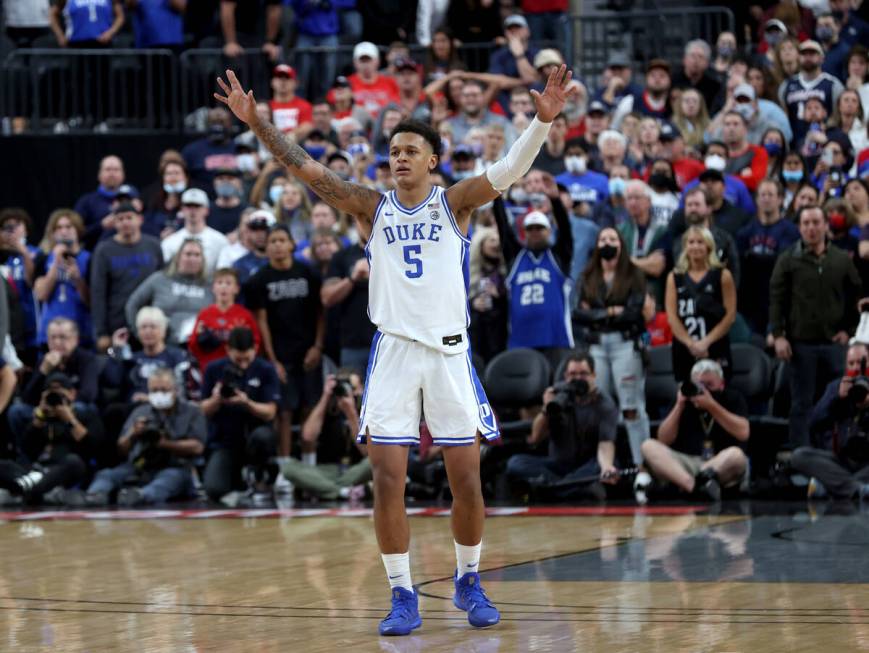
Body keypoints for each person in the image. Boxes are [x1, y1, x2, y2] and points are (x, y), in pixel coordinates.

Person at [215, 62, 574, 635]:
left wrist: (540, 123)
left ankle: (467, 579)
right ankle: (402, 593)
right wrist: (258, 124)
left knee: (467, 482)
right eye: (393, 150)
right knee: (386, 479)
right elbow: (305, 168)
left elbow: (507, 170)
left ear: (432, 158)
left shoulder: (455, 203)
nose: (399, 157)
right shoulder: (368, 206)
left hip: (450, 354)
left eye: (411, 149)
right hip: (395, 354)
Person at [770, 205, 863, 448]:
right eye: (806, 223)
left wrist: (850, 331)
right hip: (800, 344)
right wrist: (779, 335)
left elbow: (857, 298)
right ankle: (801, 456)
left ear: (825, 225)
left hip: (835, 344)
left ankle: (837, 449)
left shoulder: (842, 260)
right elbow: (776, 300)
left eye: (816, 222)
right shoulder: (788, 260)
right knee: (801, 403)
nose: (811, 228)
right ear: (799, 227)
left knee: (840, 399)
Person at [573, 228, 650, 465]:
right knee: (601, 407)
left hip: (624, 344)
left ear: (621, 244)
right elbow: (578, 313)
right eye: (603, 239)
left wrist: (595, 313)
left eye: (612, 239)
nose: (607, 243)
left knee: (631, 407)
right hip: (597, 346)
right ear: (596, 245)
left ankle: (642, 466)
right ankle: (604, 467)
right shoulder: (588, 276)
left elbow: (634, 313)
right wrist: (610, 311)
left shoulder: (633, 274)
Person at [245, 225, 323, 458]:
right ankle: (285, 469)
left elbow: (321, 313)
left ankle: (309, 465)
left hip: (308, 351)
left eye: (282, 240)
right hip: (280, 353)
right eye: (272, 241)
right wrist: (272, 360)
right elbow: (261, 322)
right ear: (266, 248)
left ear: (292, 244)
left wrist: (318, 347)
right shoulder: (259, 279)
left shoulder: (308, 273)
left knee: (310, 408)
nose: (277, 245)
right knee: (284, 412)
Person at [84, 368, 206, 506]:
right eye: (154, 391)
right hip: (140, 465)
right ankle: (94, 495)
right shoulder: (141, 411)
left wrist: (164, 443)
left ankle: (141, 496)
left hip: (175, 466)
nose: (159, 394)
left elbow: (197, 447)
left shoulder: (192, 411)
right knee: (107, 474)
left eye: (164, 390)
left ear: (176, 390)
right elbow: (121, 448)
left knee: (169, 480)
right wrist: (133, 433)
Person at [505, 351, 618, 500]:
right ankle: (571, 488)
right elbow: (535, 437)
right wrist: (546, 408)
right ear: (565, 376)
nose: (577, 378)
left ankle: (550, 489)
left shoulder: (604, 403)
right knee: (515, 463)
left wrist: (606, 466)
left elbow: (605, 444)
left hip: (587, 465)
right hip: (558, 465)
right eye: (572, 374)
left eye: (583, 374)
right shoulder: (559, 395)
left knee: (605, 465)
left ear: (593, 376)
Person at [639, 359, 749, 502]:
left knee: (737, 455)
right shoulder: (684, 401)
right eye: (699, 385)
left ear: (721, 384)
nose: (703, 390)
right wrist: (679, 405)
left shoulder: (733, 397)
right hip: (686, 464)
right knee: (648, 445)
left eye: (709, 385)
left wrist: (712, 406)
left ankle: (692, 485)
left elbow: (743, 433)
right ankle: (694, 487)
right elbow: (664, 439)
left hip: (718, 464)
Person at [200, 327, 279, 503]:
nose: (243, 364)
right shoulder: (213, 369)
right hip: (225, 441)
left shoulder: (265, 369)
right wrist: (216, 399)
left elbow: (270, 412)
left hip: (255, 437)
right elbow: (201, 410)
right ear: (228, 350)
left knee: (263, 437)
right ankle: (238, 481)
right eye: (238, 359)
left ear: (255, 349)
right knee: (214, 489)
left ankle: (260, 477)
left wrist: (247, 403)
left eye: (246, 359)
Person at [495, 180, 574, 353]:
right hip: (520, 340)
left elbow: (566, 230)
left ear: (549, 231)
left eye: (540, 228)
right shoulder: (516, 257)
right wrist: (497, 196)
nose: (535, 232)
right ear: (524, 232)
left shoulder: (559, 256)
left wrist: (555, 200)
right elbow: (503, 229)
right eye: (530, 228)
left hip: (556, 339)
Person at [0, 372, 102, 505]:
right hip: (35, 471)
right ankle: (35, 490)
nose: (55, 400)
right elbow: (26, 450)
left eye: (59, 395)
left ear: (72, 394)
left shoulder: (85, 414)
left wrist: (69, 419)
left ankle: (28, 491)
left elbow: (93, 446)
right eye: (50, 395)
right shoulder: (40, 417)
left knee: (74, 461)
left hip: (63, 470)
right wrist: (39, 419)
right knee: (5, 464)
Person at [791, 342, 869, 500]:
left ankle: (833, 487)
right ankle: (856, 489)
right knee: (799, 455)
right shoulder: (836, 387)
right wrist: (836, 399)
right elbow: (812, 423)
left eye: (861, 362)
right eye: (851, 363)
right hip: (839, 460)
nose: (855, 367)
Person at [281, 370, 372, 500]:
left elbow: (367, 452)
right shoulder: (326, 407)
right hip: (328, 470)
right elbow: (307, 436)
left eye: (352, 388)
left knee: (373, 462)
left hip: (356, 469)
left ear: (362, 389)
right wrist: (325, 396)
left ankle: (323, 489)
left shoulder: (367, 410)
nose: (348, 392)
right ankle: (343, 491)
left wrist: (351, 413)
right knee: (288, 468)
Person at [665, 226, 737, 383]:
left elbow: (730, 316)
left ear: (709, 246)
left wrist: (706, 342)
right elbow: (672, 317)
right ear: (685, 246)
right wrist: (691, 344)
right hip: (684, 348)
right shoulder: (674, 277)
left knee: (717, 393)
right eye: (691, 242)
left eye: (700, 242)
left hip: (715, 346)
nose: (695, 246)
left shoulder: (723, 275)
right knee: (686, 395)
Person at [90, 202, 163, 351]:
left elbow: (163, 285)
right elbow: (98, 292)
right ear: (114, 223)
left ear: (140, 220)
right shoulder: (104, 249)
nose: (125, 222)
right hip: (117, 322)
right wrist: (101, 332)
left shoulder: (154, 245)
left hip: (149, 321)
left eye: (129, 218)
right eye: (120, 219)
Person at [736, 179, 801, 335]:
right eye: (762, 194)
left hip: (780, 300)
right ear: (757, 199)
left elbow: (785, 263)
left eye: (770, 194)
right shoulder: (745, 231)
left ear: (780, 199)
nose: (766, 198)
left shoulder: (791, 231)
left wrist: (752, 258)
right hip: (751, 302)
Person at [124, 239, 213, 346]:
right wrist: (140, 334)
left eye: (197, 255)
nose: (192, 259)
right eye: (188, 254)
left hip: (200, 347)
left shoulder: (212, 285)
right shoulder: (159, 279)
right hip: (163, 347)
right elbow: (132, 304)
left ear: (203, 260)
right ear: (178, 257)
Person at [34, 209, 92, 348]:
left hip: (81, 331)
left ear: (77, 230)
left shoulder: (90, 258)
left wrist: (77, 278)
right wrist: (55, 262)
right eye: (59, 228)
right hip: (50, 332)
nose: (64, 231)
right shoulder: (43, 258)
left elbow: (91, 301)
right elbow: (41, 295)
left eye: (68, 226)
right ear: (53, 233)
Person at [189, 268, 261, 373]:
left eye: (228, 283)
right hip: (210, 368)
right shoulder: (204, 314)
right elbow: (193, 345)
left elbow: (256, 344)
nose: (223, 286)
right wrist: (199, 339)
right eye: (219, 282)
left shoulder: (245, 315)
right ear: (213, 288)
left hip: (239, 368)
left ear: (236, 289)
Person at [161, 188, 230, 277]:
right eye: (189, 206)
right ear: (182, 209)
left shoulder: (220, 241)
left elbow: (223, 273)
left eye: (197, 206)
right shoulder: (169, 242)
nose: (193, 211)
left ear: (206, 210)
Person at [73, 155, 127, 250]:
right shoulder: (86, 201)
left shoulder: (132, 200)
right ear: (99, 174)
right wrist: (101, 225)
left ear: (123, 174)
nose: (112, 173)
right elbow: (75, 232)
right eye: (108, 169)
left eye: (116, 169)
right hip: (95, 254)